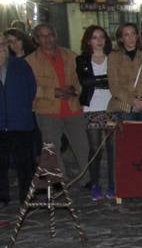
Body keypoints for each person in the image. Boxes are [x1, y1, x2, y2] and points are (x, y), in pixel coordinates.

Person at [27, 23, 86, 182]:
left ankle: (87, 178)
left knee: (82, 146)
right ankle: (60, 180)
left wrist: (74, 90)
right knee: (52, 148)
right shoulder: (30, 61)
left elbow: (80, 79)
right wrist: (54, 92)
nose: (47, 39)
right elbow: (30, 88)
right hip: (48, 111)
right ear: (37, 39)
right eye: (42, 36)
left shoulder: (70, 55)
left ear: (56, 35)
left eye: (50, 35)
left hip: (72, 107)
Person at [76, 25, 116, 200]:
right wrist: (106, 80)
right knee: (95, 148)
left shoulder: (113, 58)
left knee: (112, 147)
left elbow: (118, 81)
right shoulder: (82, 60)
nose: (99, 41)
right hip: (92, 107)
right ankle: (95, 184)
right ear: (88, 41)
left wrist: (101, 81)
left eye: (101, 37)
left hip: (112, 106)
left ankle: (113, 184)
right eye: (94, 37)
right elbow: (86, 81)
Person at [0, 31, 37, 205]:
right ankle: (2, 196)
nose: (1, 48)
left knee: (25, 163)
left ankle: (26, 195)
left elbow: (31, 89)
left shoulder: (20, 65)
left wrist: (22, 110)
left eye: (3, 44)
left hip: (20, 122)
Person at [107, 22, 142, 124]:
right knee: (129, 136)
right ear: (121, 38)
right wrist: (133, 101)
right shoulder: (114, 57)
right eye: (126, 35)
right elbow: (114, 85)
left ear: (137, 36)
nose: (131, 37)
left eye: (133, 34)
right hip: (125, 105)